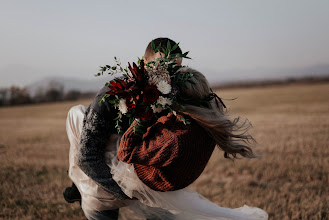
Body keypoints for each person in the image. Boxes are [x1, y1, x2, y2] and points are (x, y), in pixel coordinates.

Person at [64, 38, 268, 219]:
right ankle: (78, 187)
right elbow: (87, 157)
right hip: (103, 175)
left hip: (140, 172)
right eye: (161, 66)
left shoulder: (174, 93)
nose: (168, 74)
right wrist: (123, 193)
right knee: (102, 209)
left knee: (168, 214)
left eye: (175, 68)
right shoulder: (111, 95)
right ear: (144, 63)